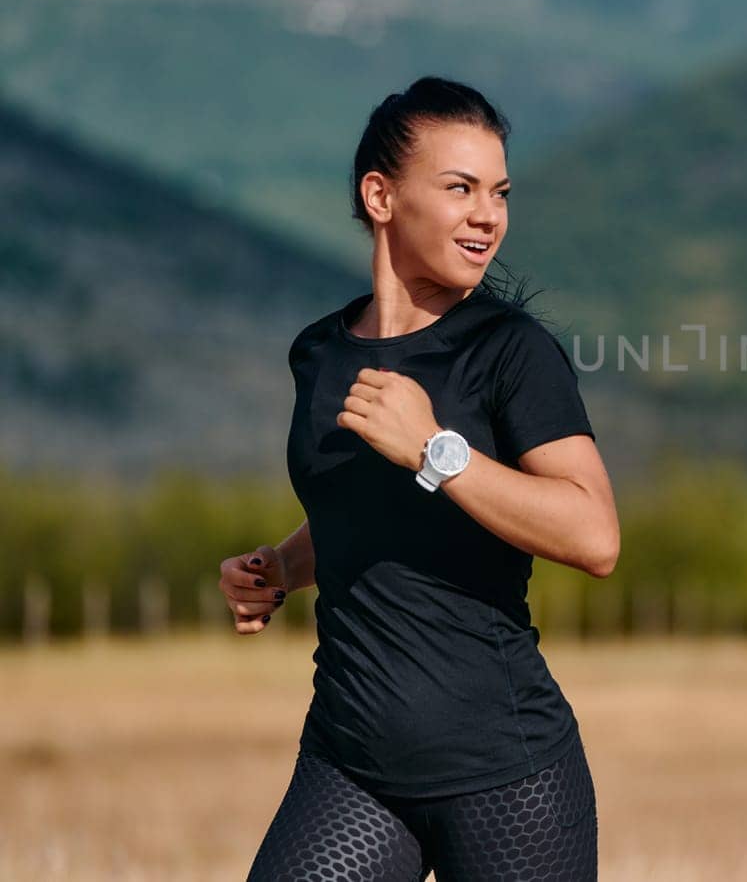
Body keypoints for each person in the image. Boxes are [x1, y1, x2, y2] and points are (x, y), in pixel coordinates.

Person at [218, 77, 620, 881]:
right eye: (460, 188)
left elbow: (594, 535)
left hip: (509, 778)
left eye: (500, 192)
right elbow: (358, 506)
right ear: (381, 195)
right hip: (352, 762)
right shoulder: (320, 353)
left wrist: (439, 450)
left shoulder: (510, 351)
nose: (488, 215)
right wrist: (280, 569)